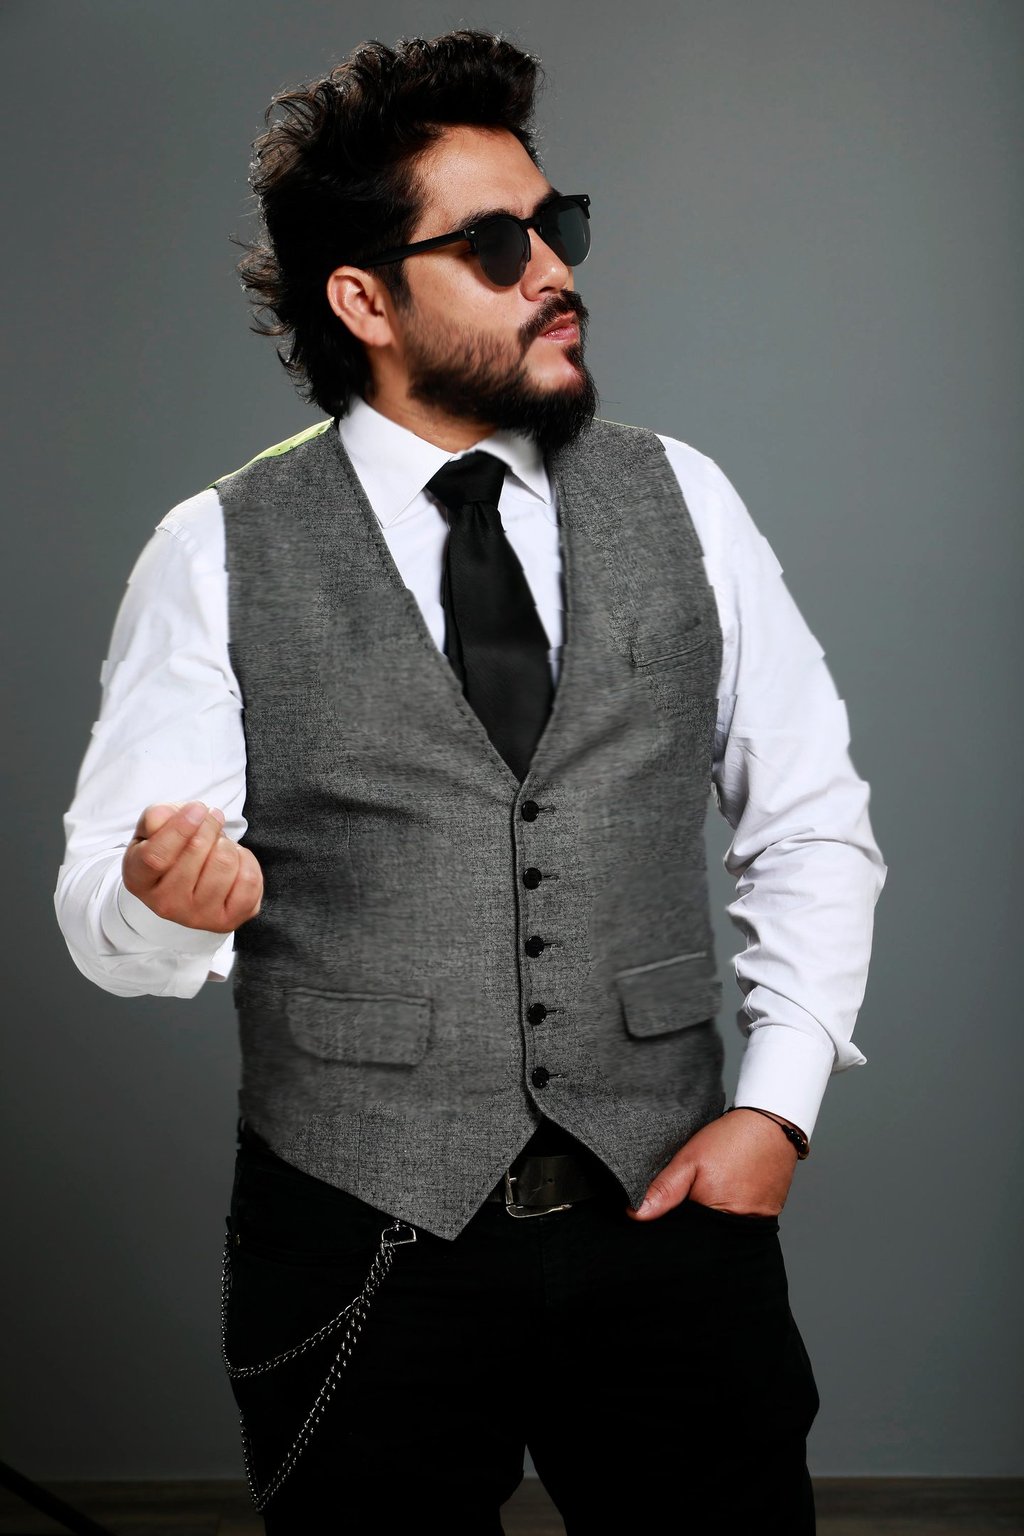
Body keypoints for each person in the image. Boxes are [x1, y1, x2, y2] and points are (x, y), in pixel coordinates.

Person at [54, 28, 886, 1535]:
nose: (553, 271)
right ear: (364, 300)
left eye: (557, 227)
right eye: (497, 245)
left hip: (670, 1214)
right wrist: (164, 904)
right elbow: (109, 921)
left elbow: (815, 824)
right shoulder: (215, 547)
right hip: (358, 1237)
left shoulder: (685, 498)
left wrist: (777, 1111)